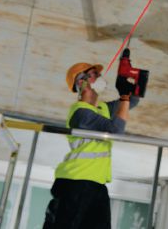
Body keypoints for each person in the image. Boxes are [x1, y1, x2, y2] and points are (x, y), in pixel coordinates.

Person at [43, 62, 139, 228]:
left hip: (97, 184)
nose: (100, 77)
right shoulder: (80, 113)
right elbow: (115, 130)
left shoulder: (103, 108)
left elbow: (133, 101)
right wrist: (124, 96)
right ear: (81, 81)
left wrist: (133, 83)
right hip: (75, 182)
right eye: (95, 74)